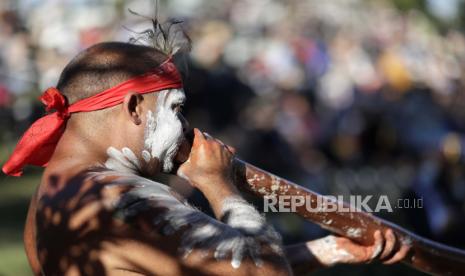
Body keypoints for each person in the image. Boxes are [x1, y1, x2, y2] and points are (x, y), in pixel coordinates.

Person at [3, 22, 410, 275]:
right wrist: (219, 186)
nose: (185, 128)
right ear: (134, 109)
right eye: (176, 110)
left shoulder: (52, 195)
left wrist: (331, 249)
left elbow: (206, 263)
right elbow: (262, 273)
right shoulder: (119, 197)